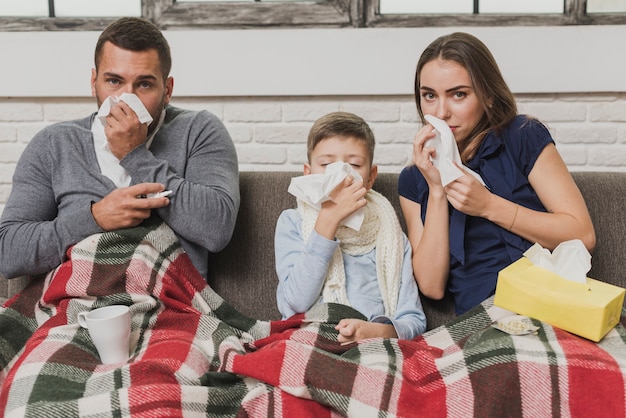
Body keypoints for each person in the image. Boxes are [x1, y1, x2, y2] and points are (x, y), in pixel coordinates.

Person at [0, 17, 240, 280]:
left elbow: (216, 230)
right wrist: (95, 218)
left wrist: (134, 155)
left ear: (168, 89)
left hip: (169, 306)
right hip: (77, 307)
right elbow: (7, 253)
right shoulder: (54, 144)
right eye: (114, 81)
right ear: (94, 82)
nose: (127, 99)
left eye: (144, 84)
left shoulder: (198, 130)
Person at [398, 32, 596, 315]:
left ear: (488, 96)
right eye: (429, 95)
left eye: (458, 94)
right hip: (484, 319)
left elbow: (583, 234)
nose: (441, 112)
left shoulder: (522, 136)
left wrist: (489, 205)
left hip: (551, 302)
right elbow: (432, 287)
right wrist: (437, 189)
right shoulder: (413, 179)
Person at [275, 111, 427, 343]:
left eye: (354, 164)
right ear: (308, 173)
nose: (341, 175)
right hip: (311, 337)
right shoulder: (292, 222)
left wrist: (375, 331)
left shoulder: (392, 236)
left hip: (371, 344)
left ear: (370, 177)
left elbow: (413, 320)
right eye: (326, 164)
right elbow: (294, 303)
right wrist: (328, 220)